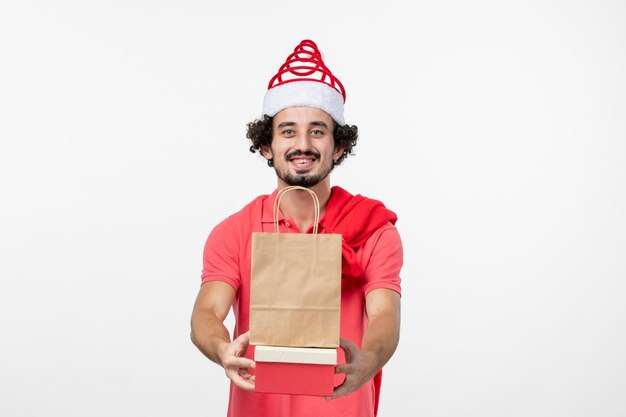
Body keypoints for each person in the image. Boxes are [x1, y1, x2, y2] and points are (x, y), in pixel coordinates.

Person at [190, 39, 403, 417]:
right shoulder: (235, 232)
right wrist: (222, 349)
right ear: (266, 146)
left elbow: (385, 315)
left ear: (338, 147)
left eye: (318, 131)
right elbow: (207, 311)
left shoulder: (372, 230)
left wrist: (367, 361)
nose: (302, 144)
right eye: (288, 131)